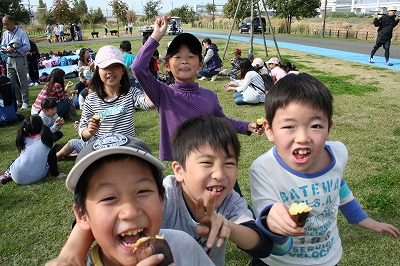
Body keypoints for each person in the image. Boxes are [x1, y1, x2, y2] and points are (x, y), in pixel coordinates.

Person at [45, 117, 297, 265]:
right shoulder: (164, 192)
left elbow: (262, 245)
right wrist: (72, 252)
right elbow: (89, 219)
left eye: (229, 163)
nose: (220, 173)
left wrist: (227, 227)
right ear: (178, 170)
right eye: (207, 163)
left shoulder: (228, 204)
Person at [249, 73, 400, 266]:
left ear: (329, 127)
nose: (303, 137)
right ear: (270, 130)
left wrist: (363, 219)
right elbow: (265, 210)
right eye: (289, 126)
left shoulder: (338, 153)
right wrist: (273, 218)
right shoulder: (263, 169)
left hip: (326, 258)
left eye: (316, 125)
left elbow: (338, 186)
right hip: (277, 261)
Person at [48, 132, 215, 266]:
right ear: (82, 216)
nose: (130, 212)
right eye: (109, 198)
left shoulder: (183, 245)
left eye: (142, 191)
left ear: (161, 199)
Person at [131, 15, 262, 162]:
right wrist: (156, 35)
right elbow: (138, 68)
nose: (185, 61)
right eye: (178, 57)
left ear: (200, 64)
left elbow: (222, 121)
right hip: (181, 163)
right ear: (167, 66)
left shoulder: (209, 96)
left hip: (207, 158)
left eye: (191, 56)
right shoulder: (163, 93)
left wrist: (247, 126)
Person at [77, 45, 153, 143]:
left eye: (115, 66)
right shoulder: (91, 100)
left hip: (127, 150)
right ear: (97, 71)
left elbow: (150, 102)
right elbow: (82, 129)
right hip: (104, 152)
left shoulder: (131, 93)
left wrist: (143, 76)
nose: (110, 71)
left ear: (122, 70)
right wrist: (89, 131)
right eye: (105, 67)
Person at [0, 115, 66, 185]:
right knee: (46, 163)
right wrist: (56, 174)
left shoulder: (22, 139)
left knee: (16, 161)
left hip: (16, 176)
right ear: (42, 126)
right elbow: (52, 160)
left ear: (25, 129)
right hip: (38, 176)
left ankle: (6, 175)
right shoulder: (48, 141)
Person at [1, 15, 31, 109]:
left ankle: (25, 101)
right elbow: (3, 44)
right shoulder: (5, 34)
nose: (6, 26)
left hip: (19, 58)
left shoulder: (22, 33)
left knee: (22, 80)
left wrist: (14, 50)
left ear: (12, 22)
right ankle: (18, 100)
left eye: (7, 24)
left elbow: (27, 47)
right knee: (11, 81)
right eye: (4, 25)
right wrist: (3, 49)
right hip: (9, 59)